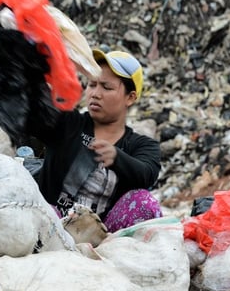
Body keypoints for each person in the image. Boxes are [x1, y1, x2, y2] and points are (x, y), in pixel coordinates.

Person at [29, 49, 162, 232]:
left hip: (102, 235)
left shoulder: (141, 145)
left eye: (106, 87)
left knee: (144, 202)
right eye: (92, 85)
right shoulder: (68, 124)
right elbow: (36, 110)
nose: (95, 94)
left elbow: (147, 174)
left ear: (130, 97)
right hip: (52, 225)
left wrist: (117, 157)